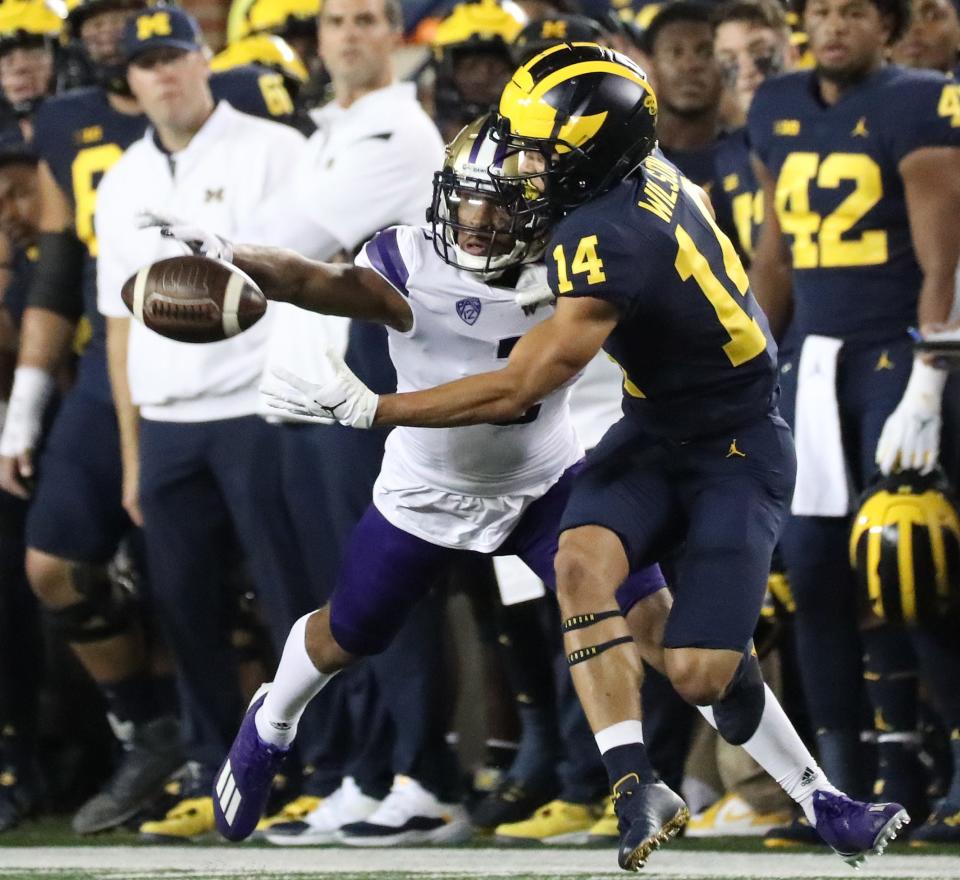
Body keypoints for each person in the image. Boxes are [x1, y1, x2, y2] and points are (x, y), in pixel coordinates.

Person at [252, 44, 909, 871]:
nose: (526, 165)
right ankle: (634, 787)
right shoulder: (637, 171)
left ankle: (824, 801)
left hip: (734, 448)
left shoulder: (603, 231)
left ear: (592, 151)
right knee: (577, 564)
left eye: (540, 148)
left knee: (700, 670)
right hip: (650, 424)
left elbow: (518, 387)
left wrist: (374, 407)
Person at [94, 5, 311, 842]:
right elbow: (120, 322)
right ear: (131, 78)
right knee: (183, 608)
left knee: (294, 599)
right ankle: (217, 769)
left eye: (174, 58)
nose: (163, 76)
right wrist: (130, 451)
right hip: (169, 421)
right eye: (146, 64)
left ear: (204, 59)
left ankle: (317, 766)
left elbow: (309, 282)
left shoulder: (273, 149)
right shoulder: (121, 180)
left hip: (257, 408)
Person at [748, 0, 960, 846]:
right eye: (821, 10)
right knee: (815, 572)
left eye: (854, 11)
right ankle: (844, 787)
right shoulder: (776, 104)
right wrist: (750, 370)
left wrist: (929, 377)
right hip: (813, 362)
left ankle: (947, 774)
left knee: (918, 562)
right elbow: (775, 253)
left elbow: (946, 256)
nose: (834, 26)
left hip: (899, 357)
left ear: (889, 22)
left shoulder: (921, 98)